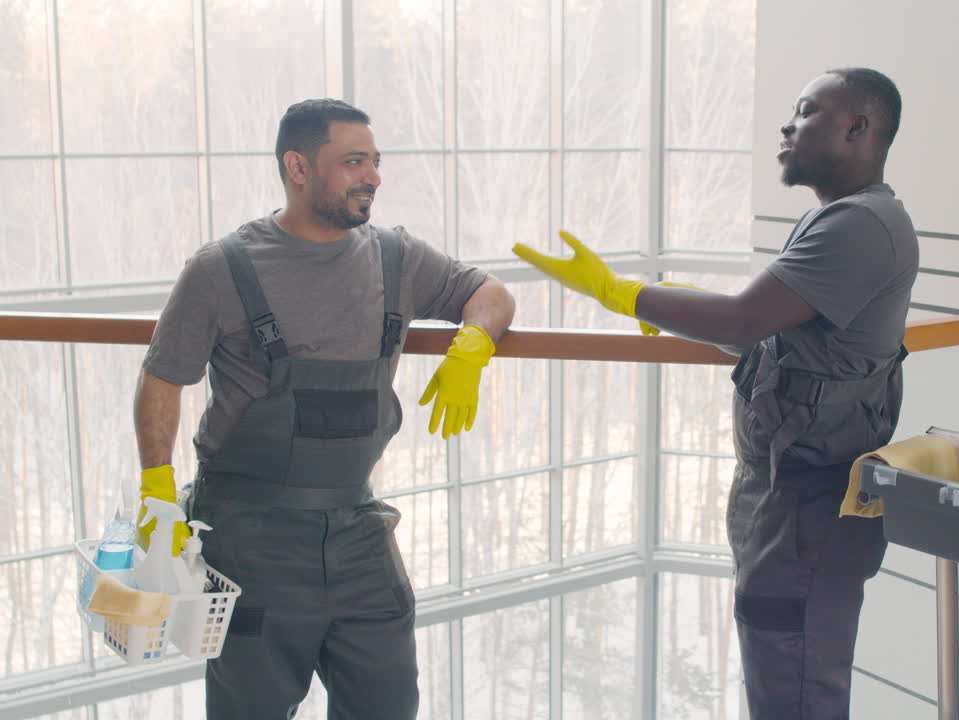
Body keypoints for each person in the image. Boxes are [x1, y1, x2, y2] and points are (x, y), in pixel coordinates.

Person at [515, 67, 917, 718]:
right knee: (781, 684)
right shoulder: (843, 219)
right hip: (790, 506)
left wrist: (618, 292)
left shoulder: (861, 226)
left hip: (808, 514)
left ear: (858, 127)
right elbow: (768, 337)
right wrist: (678, 308)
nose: (789, 124)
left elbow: (742, 320)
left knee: (794, 693)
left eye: (808, 111)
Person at [133, 98, 515, 719]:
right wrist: (157, 489)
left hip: (357, 526)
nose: (372, 176)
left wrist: (472, 347)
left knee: (387, 702)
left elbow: (491, 293)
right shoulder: (221, 269)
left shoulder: (395, 256)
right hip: (250, 535)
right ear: (299, 166)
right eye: (353, 161)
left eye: (375, 162)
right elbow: (162, 378)